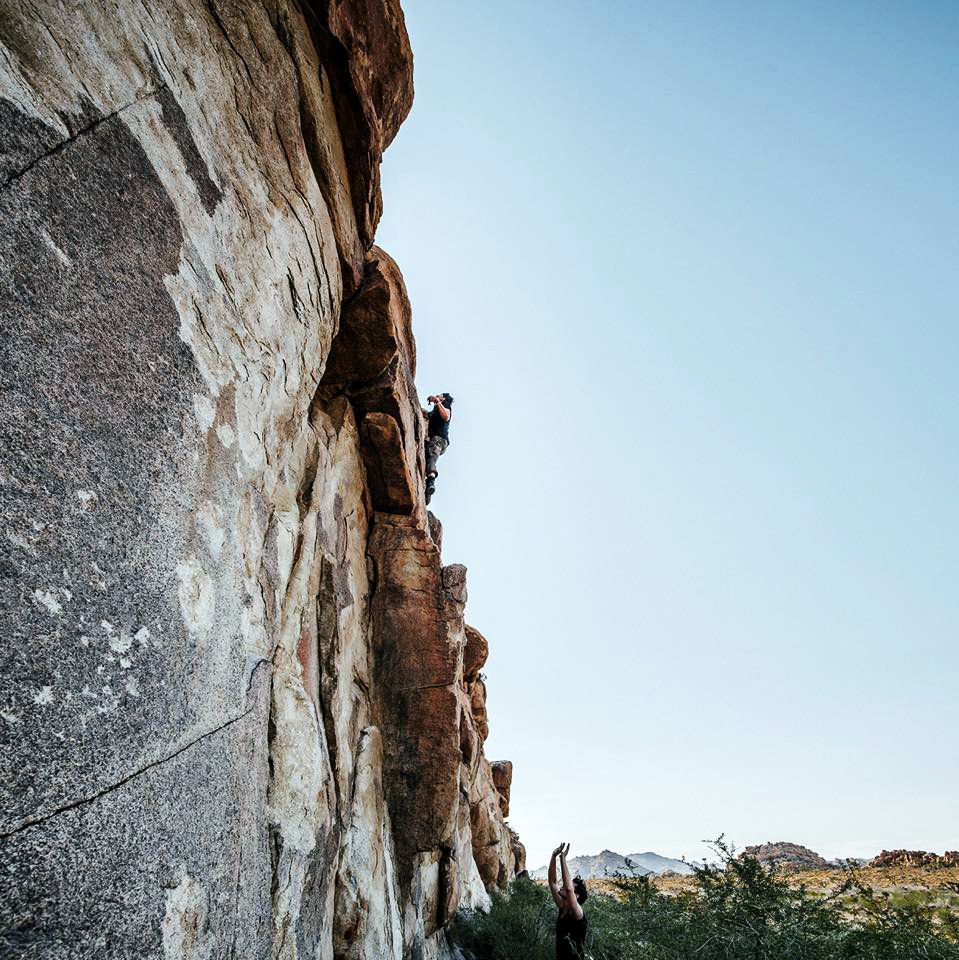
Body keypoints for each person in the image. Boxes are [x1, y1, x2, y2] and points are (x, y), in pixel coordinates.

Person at [548, 842, 588, 959]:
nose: (563, 886)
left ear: (577, 896)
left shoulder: (577, 913)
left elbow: (569, 889)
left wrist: (563, 859)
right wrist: (553, 856)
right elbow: (552, 882)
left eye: (567, 885)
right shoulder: (562, 905)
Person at [423, 392, 453, 503]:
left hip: (440, 440)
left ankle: (431, 481)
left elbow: (446, 416)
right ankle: (427, 493)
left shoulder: (446, 407)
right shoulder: (436, 411)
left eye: (440, 395)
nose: (437, 395)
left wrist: (436, 401)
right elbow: (427, 415)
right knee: (426, 456)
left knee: (431, 456)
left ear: (444, 398)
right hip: (433, 440)